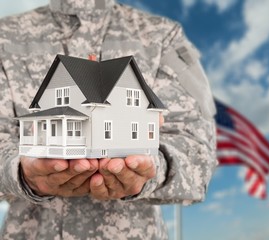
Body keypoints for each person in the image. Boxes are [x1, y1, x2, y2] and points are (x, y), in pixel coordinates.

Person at [0, 0, 217, 239]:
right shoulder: (4, 37)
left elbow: (201, 153)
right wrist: (17, 171)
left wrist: (155, 167)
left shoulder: (162, 37)